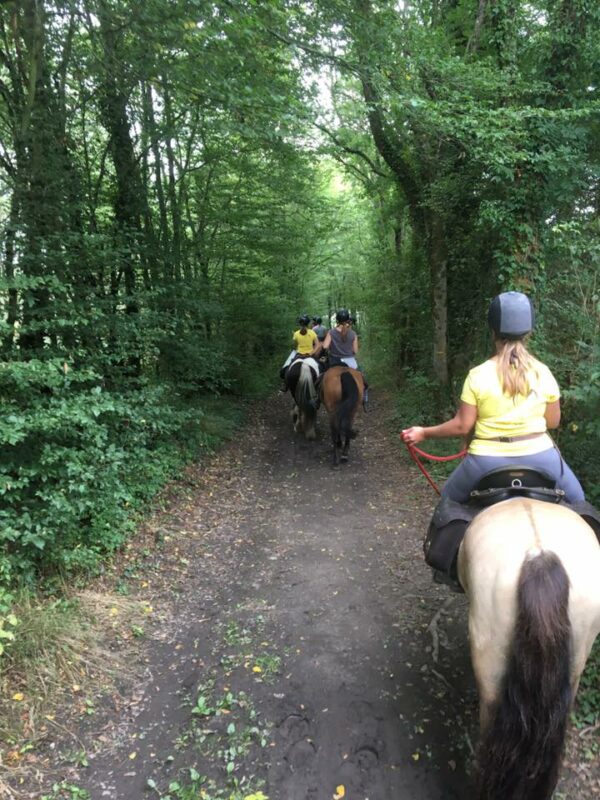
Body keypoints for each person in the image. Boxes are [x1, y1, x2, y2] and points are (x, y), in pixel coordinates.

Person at [401, 291, 585, 503]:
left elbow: (462, 426)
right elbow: (552, 422)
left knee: (446, 506)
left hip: (486, 459)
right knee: (579, 503)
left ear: (493, 332)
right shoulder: (542, 372)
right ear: (528, 333)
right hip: (541, 456)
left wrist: (423, 433)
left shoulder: (478, 375)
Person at [321, 308, 369, 410]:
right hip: (350, 361)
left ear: (337, 320)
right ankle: (365, 400)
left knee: (321, 378)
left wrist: (332, 348)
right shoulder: (353, 334)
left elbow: (325, 346)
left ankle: (317, 398)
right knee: (363, 378)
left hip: (334, 361)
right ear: (348, 320)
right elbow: (355, 351)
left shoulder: (331, 332)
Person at [279, 314, 319, 390]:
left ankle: (285, 384)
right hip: (309, 355)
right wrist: (312, 353)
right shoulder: (312, 332)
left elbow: (294, 346)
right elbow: (317, 345)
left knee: (286, 367)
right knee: (321, 366)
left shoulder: (296, 334)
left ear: (300, 323)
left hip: (299, 354)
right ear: (308, 323)